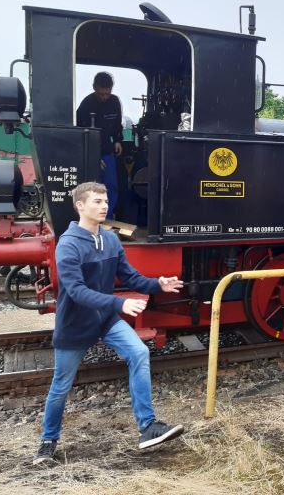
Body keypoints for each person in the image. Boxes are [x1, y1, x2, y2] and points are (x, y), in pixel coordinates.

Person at [33, 182, 185, 465]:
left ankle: (148, 427)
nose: (104, 206)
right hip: (75, 324)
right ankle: (48, 441)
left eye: (105, 201)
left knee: (139, 353)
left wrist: (158, 284)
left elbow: (130, 277)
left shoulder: (111, 239)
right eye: (97, 201)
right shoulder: (68, 244)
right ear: (80, 206)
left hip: (105, 320)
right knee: (61, 385)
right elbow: (76, 291)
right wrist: (119, 304)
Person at [76, 72, 124, 219]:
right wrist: (94, 156)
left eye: (107, 94)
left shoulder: (114, 102)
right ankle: (90, 217)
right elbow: (80, 132)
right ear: (94, 88)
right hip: (90, 151)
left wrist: (118, 140)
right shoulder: (86, 105)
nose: (104, 97)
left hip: (107, 150)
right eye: (101, 94)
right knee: (92, 188)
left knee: (111, 186)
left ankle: (106, 218)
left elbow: (117, 124)